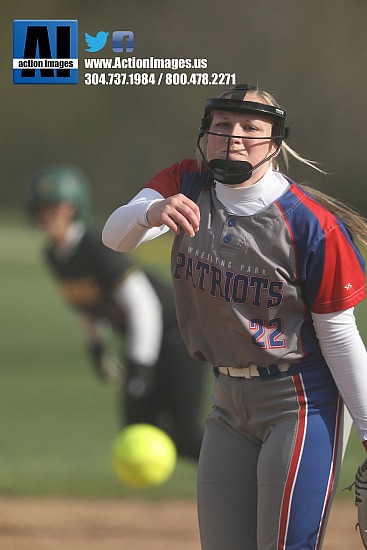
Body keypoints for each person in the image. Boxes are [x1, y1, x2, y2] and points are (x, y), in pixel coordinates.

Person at [102, 83, 367, 549]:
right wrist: (152, 212)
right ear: (207, 132)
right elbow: (115, 237)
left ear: (275, 142)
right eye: (223, 125)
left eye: (251, 127)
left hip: (300, 401)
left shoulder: (309, 225)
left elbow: (341, 338)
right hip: (226, 402)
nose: (235, 136)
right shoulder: (186, 184)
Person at [26, 165, 205, 461]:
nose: (49, 216)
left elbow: (142, 303)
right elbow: (87, 303)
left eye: (56, 207)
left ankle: (238, 482)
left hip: (177, 335)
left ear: (74, 209)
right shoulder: (55, 254)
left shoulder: (95, 246)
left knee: (184, 433)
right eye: (42, 209)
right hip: (144, 341)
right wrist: (96, 347)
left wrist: (140, 365)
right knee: (136, 430)